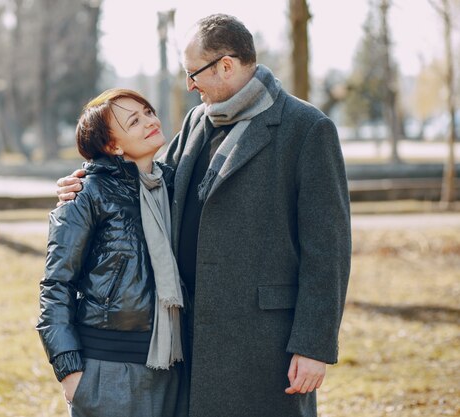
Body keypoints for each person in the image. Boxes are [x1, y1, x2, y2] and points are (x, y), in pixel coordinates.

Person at [56, 14, 351, 417]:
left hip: (266, 342)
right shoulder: (198, 120)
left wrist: (313, 346)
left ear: (225, 66)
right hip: (193, 337)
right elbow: (154, 182)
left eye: (193, 73)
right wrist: (87, 182)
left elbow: (328, 249)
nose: (190, 85)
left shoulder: (307, 129)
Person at [36, 88, 186, 417]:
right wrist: (69, 371)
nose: (150, 121)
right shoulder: (86, 193)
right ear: (113, 145)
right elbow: (56, 285)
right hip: (108, 367)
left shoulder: (175, 188)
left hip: (170, 364)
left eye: (148, 112)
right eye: (134, 121)